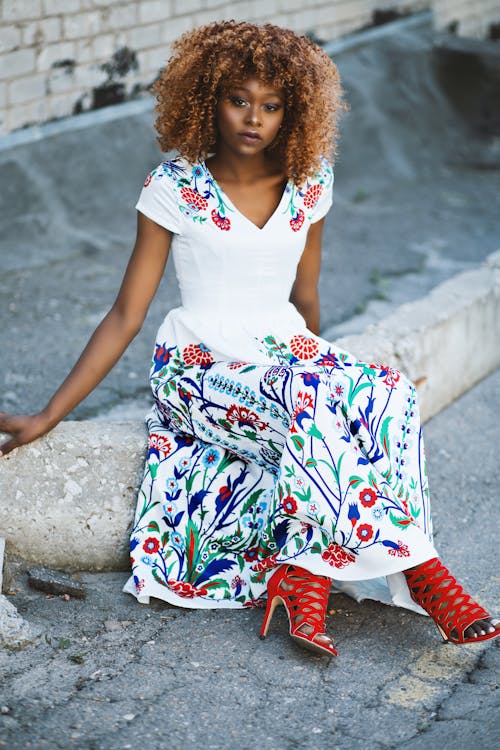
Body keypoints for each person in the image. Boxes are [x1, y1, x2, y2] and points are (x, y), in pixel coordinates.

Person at [0, 21, 497, 657]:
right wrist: (49, 414)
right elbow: (126, 314)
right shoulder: (174, 187)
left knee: (389, 392)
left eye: (272, 105)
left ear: (294, 111)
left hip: (284, 357)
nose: (253, 119)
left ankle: (304, 574)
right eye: (239, 100)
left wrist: (339, 385)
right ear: (208, 100)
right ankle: (426, 576)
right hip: (198, 367)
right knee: (314, 403)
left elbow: (306, 301)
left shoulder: (310, 182)